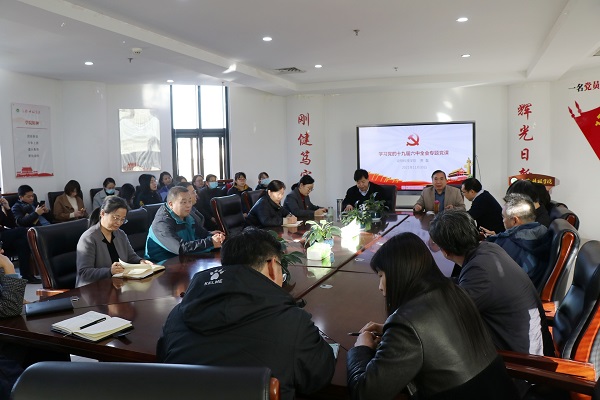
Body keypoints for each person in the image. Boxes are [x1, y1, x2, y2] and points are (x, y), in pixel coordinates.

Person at [157, 228, 335, 400]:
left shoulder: (176, 316)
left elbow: (164, 363)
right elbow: (318, 378)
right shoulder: (293, 323)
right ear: (272, 265)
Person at [347, 232, 519, 400]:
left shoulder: (406, 323)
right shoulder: (453, 290)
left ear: (397, 274)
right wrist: (391, 332)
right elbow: (435, 332)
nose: (380, 286)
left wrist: (361, 348)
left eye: (381, 276)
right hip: (501, 390)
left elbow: (366, 393)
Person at [429, 210, 554, 356]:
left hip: (522, 359)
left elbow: (450, 316)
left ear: (445, 251)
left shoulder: (479, 272)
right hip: (527, 343)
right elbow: (462, 284)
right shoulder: (488, 248)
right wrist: (432, 283)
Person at [76, 196, 153, 287]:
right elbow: (84, 272)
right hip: (94, 289)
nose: (119, 223)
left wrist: (141, 261)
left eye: (122, 219)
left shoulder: (120, 234)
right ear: (102, 213)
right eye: (116, 218)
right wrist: (110, 271)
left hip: (118, 285)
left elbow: (131, 256)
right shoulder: (88, 238)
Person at [483, 194, 552, 289]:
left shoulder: (503, 245)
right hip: (530, 291)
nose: (503, 221)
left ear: (515, 220)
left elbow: (485, 274)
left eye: (503, 217)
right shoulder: (543, 232)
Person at [145, 186, 225, 261]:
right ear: (171, 204)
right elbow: (180, 248)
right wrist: (211, 242)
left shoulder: (187, 216)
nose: (188, 205)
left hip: (185, 259)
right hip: (162, 264)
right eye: (183, 202)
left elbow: (202, 234)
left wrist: (216, 237)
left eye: (189, 201)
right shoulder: (162, 224)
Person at [0, 196, 39, 283]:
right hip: (1, 235)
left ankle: (26, 276)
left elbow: (11, 224)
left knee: (22, 243)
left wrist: (8, 208)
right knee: (23, 231)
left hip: (3, 235)